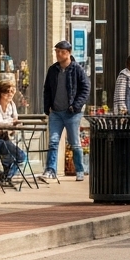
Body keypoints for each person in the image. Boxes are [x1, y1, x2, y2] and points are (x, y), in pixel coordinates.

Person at [42, 40, 89, 182]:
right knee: (53, 142)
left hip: (72, 113)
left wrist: (76, 106)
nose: (58, 54)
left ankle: (80, 170)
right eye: (56, 51)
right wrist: (47, 107)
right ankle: (50, 170)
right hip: (55, 112)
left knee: (75, 143)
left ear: (68, 53)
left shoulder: (77, 69)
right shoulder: (53, 69)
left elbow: (85, 89)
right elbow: (47, 89)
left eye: (61, 52)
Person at [0, 79, 28, 183]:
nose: (10, 94)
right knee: (11, 151)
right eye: (7, 91)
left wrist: (13, 124)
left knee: (20, 156)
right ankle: (5, 176)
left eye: (12, 91)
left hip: (4, 138)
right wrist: (12, 122)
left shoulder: (12, 105)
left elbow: (16, 119)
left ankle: (6, 176)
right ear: (0, 93)